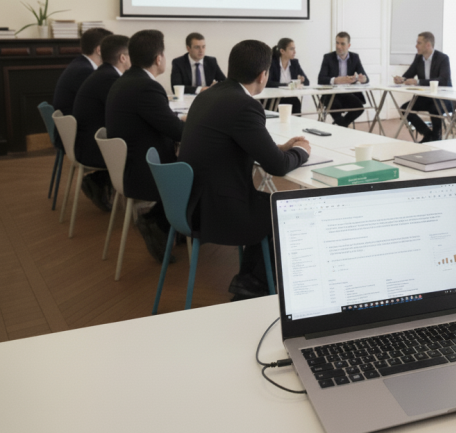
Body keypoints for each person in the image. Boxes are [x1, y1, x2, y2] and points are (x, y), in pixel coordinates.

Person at [180, 40, 310, 299]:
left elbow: (233, 141)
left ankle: (249, 280)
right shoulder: (245, 105)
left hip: (189, 200)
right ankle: (254, 283)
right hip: (216, 210)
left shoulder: (208, 95)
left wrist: (278, 147)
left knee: (267, 204)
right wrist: (301, 152)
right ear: (263, 75)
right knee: (288, 210)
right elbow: (277, 166)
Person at [106, 30, 185, 263]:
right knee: (199, 169)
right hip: (144, 171)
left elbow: (160, 121)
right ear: (159, 59)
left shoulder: (126, 80)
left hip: (128, 165)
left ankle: (173, 226)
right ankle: (158, 222)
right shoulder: (146, 87)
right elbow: (177, 131)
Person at [72, 35, 130, 211]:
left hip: (87, 141)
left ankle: (100, 182)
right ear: (123, 58)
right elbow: (126, 114)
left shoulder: (103, 73)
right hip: (94, 148)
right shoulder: (109, 79)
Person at [394, 31, 452, 142]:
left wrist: (418, 82)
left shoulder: (443, 58)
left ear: (428, 45)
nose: (416, 46)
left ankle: (437, 136)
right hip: (425, 97)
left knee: (434, 107)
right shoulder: (418, 58)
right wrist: (401, 79)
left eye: (419, 43)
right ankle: (428, 134)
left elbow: (443, 80)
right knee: (404, 109)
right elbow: (409, 74)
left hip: (442, 98)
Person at [53, 27, 112, 116]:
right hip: (76, 122)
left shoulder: (80, 64)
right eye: (111, 48)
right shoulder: (84, 71)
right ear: (99, 50)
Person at [317, 31, 369, 127]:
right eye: (337, 43)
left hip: (348, 94)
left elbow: (366, 78)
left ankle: (341, 125)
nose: (339, 46)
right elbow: (321, 79)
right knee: (334, 106)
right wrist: (336, 80)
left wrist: (362, 79)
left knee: (359, 108)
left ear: (348, 45)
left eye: (342, 44)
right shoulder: (328, 57)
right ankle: (343, 126)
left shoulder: (355, 57)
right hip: (331, 94)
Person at [267, 38, 310, 115]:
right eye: (291, 49)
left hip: (290, 97)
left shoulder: (294, 63)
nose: (294, 52)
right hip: (274, 98)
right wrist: (288, 84)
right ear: (282, 51)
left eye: (294, 49)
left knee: (296, 103)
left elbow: (307, 82)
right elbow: (268, 83)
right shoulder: (272, 63)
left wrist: (302, 80)